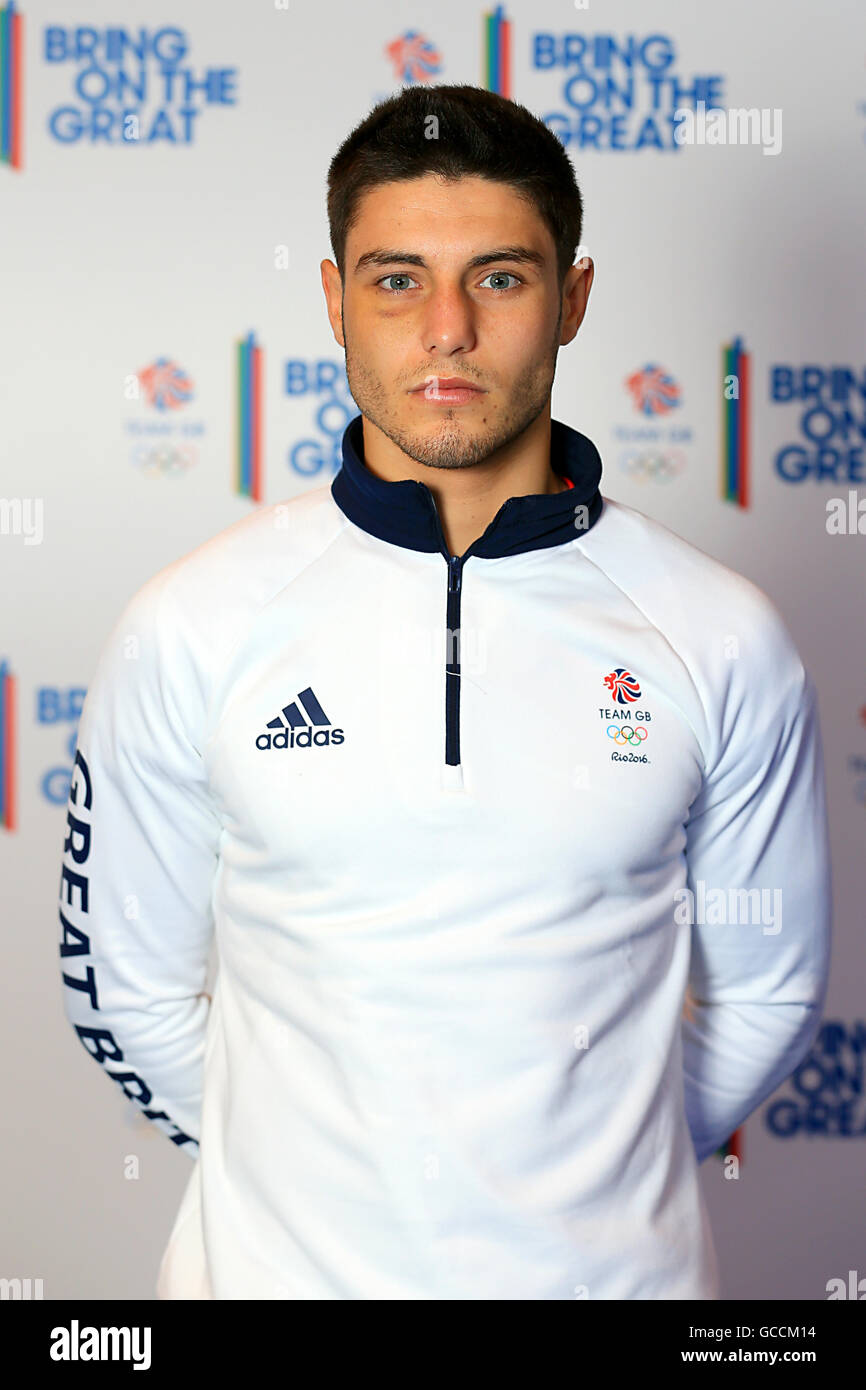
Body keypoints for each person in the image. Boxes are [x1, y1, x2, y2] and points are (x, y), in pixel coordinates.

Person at [57, 84, 831, 1300]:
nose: (448, 330)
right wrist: (312, 1179)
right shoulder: (193, 623)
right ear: (334, 302)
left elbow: (768, 980)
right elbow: (124, 986)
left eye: (502, 278)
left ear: (572, 299)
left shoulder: (717, 634)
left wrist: (577, 1163)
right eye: (398, 279)